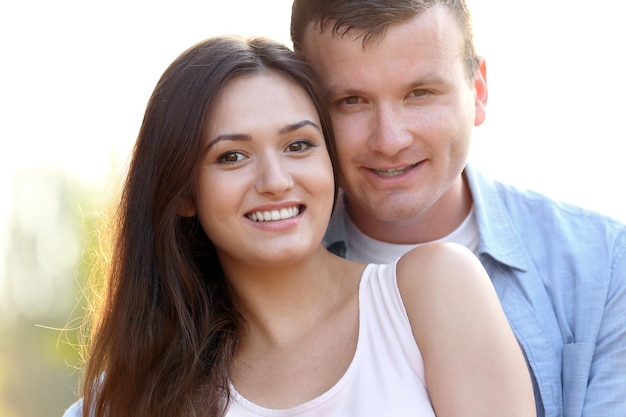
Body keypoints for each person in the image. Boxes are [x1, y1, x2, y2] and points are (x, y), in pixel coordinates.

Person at [61, 35, 535, 417]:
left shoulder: (434, 291)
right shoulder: (132, 398)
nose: (275, 181)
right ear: (183, 193)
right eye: (232, 156)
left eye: (298, 146)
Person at [289, 1, 626, 416]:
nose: (389, 139)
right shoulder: (258, 274)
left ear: (479, 91)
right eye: (351, 101)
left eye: (419, 93)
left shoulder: (608, 263)